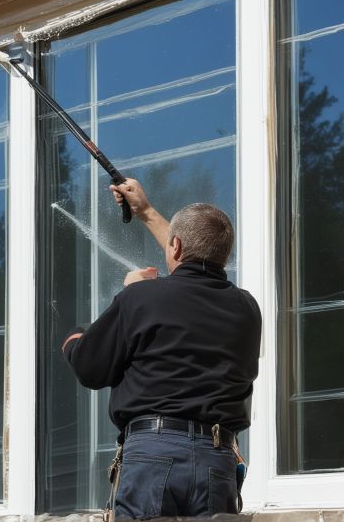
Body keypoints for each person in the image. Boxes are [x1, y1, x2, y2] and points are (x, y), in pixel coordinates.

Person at [61, 178, 262, 520]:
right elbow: (197, 265)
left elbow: (90, 367)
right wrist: (147, 212)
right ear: (225, 255)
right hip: (217, 461)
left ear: (175, 246)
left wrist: (115, 303)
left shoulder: (140, 299)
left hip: (153, 454)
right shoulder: (247, 309)